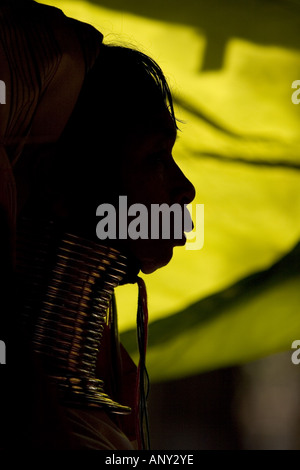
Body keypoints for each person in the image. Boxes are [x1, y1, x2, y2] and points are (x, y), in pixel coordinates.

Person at [0, 0, 195, 450]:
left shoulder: (97, 394)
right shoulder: (31, 417)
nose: (185, 190)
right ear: (57, 186)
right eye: (154, 158)